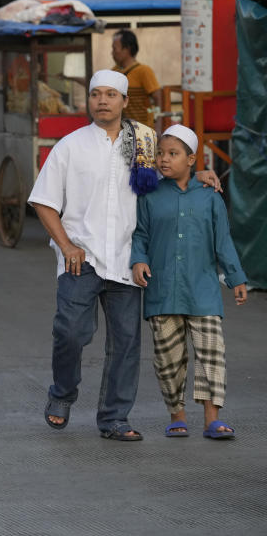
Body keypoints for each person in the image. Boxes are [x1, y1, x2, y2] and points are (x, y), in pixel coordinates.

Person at [28, 70, 220, 441]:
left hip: (128, 260)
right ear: (89, 101)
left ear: (123, 100)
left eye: (110, 95)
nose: (102, 100)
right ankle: (62, 394)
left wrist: (200, 178)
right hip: (80, 260)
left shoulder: (146, 140)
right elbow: (44, 201)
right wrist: (67, 244)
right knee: (70, 332)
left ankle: (114, 418)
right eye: (96, 94)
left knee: (127, 343)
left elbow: (169, 177)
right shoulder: (70, 146)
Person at [130, 124, 247, 440]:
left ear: (191, 158)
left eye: (173, 154)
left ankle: (212, 419)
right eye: (160, 154)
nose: (164, 160)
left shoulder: (210, 196)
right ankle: (177, 415)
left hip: (204, 291)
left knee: (211, 354)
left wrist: (236, 278)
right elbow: (140, 234)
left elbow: (222, 240)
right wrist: (138, 259)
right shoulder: (150, 195)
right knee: (169, 358)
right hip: (162, 290)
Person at [111, 29, 161, 128]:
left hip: (145, 129)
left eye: (115, 49)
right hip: (125, 130)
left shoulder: (144, 71)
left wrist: (158, 123)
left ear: (127, 49)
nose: (112, 53)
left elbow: (158, 98)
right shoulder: (114, 72)